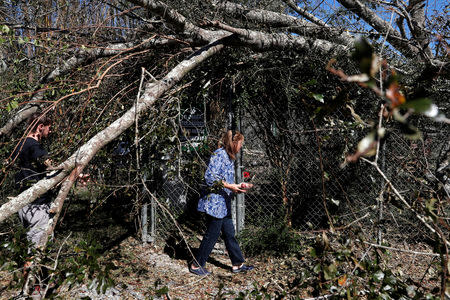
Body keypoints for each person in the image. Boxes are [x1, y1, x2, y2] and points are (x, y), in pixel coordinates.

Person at [189, 130, 254, 276]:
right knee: (212, 235)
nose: (241, 147)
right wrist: (231, 186)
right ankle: (196, 265)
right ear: (234, 143)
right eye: (240, 144)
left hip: (223, 203)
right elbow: (210, 179)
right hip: (214, 203)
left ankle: (238, 264)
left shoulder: (229, 157)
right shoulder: (219, 155)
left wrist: (237, 186)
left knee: (229, 233)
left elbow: (224, 181)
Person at [13, 113, 53, 249]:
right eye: (49, 128)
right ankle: (29, 270)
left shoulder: (19, 145)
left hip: (24, 203)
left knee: (32, 246)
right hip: (38, 206)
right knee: (37, 251)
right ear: (40, 127)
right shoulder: (35, 147)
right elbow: (52, 168)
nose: (50, 131)